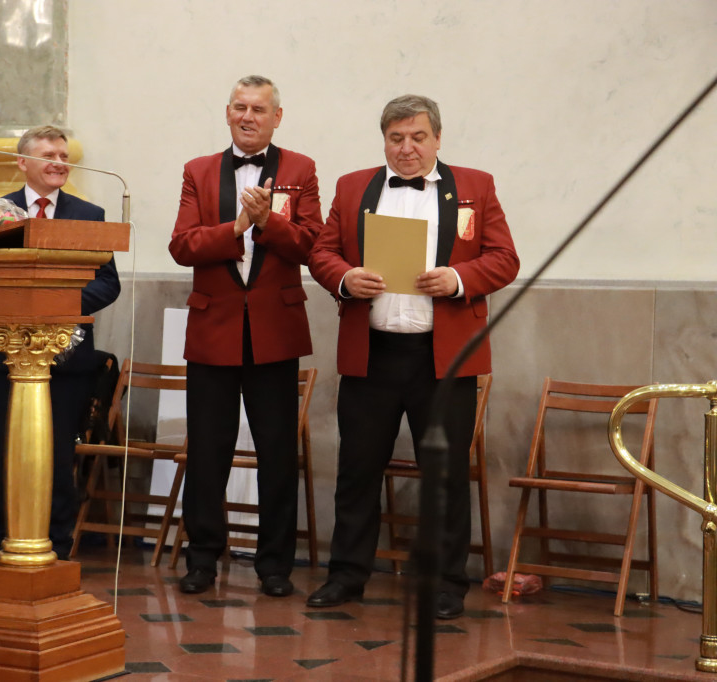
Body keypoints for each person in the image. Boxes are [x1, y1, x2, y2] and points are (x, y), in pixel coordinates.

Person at [306, 95, 519, 618]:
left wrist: (458, 278)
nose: (406, 148)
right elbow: (322, 252)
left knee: (444, 474)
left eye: (418, 137)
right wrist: (344, 278)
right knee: (357, 470)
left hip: (441, 360)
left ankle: (448, 585)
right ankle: (347, 577)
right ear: (384, 141)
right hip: (372, 354)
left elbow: (505, 258)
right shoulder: (354, 186)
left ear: (438, 138)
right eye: (396, 138)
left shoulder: (476, 185)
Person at [168, 75, 322, 597]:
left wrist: (267, 225)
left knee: (279, 450)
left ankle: (275, 564)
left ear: (278, 116)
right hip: (213, 327)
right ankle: (203, 558)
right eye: (240, 107)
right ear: (227, 113)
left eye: (260, 109)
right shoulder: (199, 170)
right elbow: (182, 246)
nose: (249, 116)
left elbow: (312, 245)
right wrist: (236, 229)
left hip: (275, 330)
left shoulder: (300, 169)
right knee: (208, 449)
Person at [0, 125, 120, 561]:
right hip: (2, 355)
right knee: (3, 451)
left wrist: (53, 304)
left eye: (63, 155)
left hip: (66, 355)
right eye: (48, 155)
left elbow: (106, 283)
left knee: (56, 454)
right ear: (22, 163)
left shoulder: (88, 214)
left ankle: (56, 542)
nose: (59, 162)